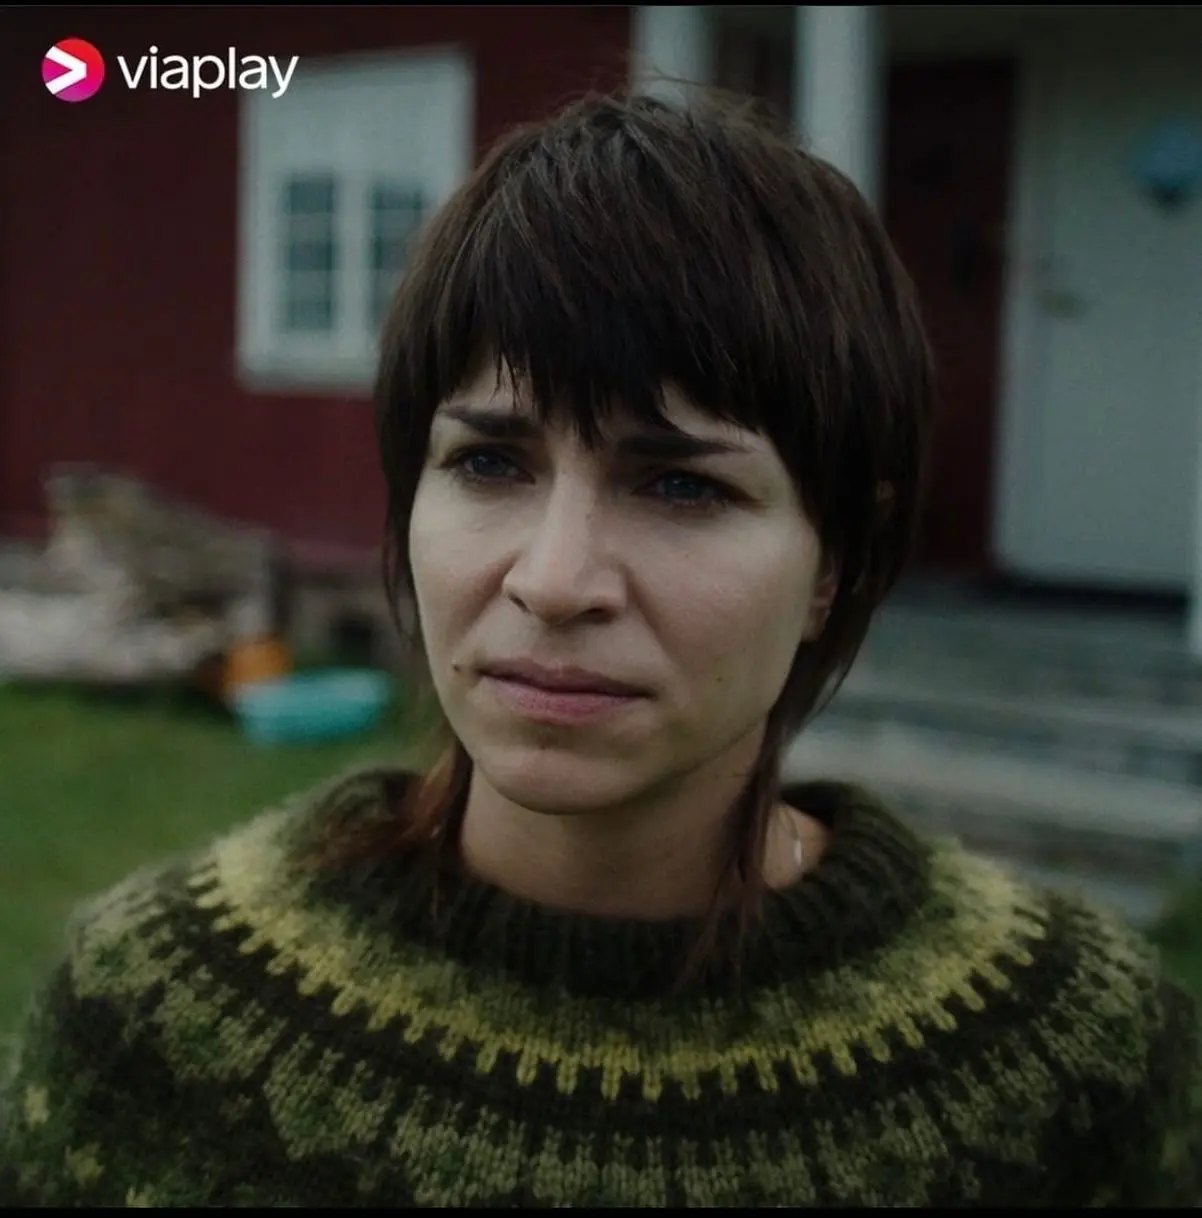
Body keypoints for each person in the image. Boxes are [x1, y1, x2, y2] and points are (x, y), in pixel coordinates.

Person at [2, 87, 1200, 1209]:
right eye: (488, 463)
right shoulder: (158, 1014)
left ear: (834, 560)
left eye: (679, 485)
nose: (554, 579)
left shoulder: (1069, 1061)